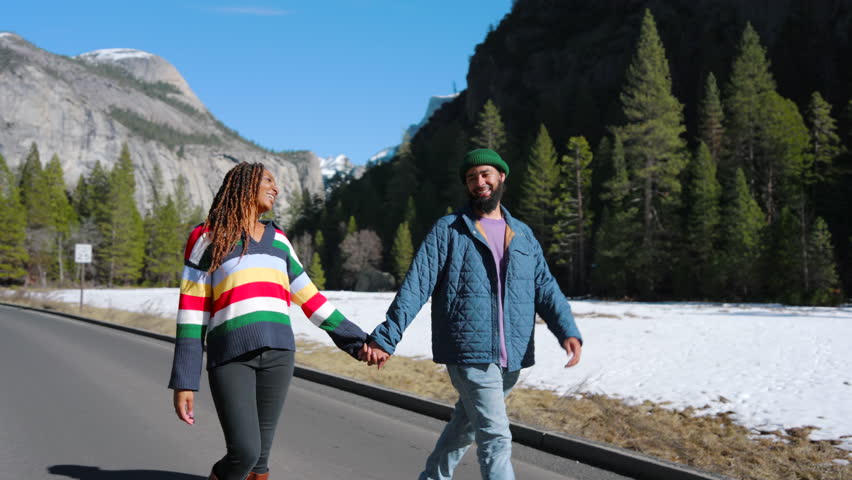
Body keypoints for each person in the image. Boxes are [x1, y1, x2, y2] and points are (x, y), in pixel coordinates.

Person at [363, 148, 583, 480]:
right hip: (469, 351)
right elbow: (417, 285)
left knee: (465, 425)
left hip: (512, 354)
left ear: (501, 176)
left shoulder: (523, 234)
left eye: (485, 174)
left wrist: (567, 329)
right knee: (496, 437)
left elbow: (545, 287)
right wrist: (386, 337)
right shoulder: (449, 229)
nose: (479, 182)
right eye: (471, 178)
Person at [168, 162, 383, 480]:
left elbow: (310, 298)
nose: (276, 188)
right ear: (244, 185)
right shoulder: (207, 237)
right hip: (231, 356)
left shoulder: (278, 240)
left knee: (260, 462)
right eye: (268, 180)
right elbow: (192, 310)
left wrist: (359, 341)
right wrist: (185, 380)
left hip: (279, 356)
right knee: (244, 452)